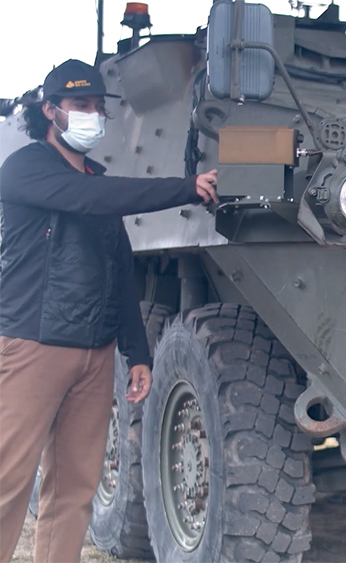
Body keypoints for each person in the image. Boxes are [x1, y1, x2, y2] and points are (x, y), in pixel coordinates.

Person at [0, 59, 218, 563]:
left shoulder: (97, 179)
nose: (93, 115)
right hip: (35, 346)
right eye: (81, 105)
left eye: (99, 107)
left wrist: (136, 352)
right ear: (50, 111)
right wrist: (185, 187)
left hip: (94, 356)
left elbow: (119, 272)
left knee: (75, 488)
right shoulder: (28, 168)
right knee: (8, 481)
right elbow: (90, 199)